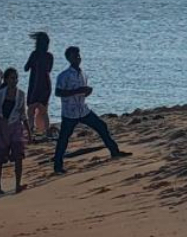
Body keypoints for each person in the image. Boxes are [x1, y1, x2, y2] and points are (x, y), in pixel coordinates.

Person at [52, 46, 131, 174]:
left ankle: (114, 151)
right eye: (74, 56)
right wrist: (78, 91)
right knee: (63, 139)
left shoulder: (83, 74)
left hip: (83, 110)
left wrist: (87, 92)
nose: (77, 58)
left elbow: (82, 93)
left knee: (101, 126)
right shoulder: (64, 76)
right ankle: (57, 166)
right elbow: (58, 92)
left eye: (78, 55)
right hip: (70, 113)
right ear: (69, 58)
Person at [0, 68, 31, 195]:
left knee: (18, 156)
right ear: (6, 79)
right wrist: (2, 129)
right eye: (12, 78)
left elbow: (23, 114)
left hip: (16, 127)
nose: (14, 81)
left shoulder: (21, 94)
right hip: (2, 128)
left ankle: (17, 185)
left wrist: (29, 132)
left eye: (16, 78)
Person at [24, 32, 54, 141]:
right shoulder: (47, 56)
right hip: (42, 84)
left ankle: (34, 130)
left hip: (38, 84)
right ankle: (42, 130)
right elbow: (48, 70)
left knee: (34, 109)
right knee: (41, 109)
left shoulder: (36, 55)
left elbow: (26, 68)